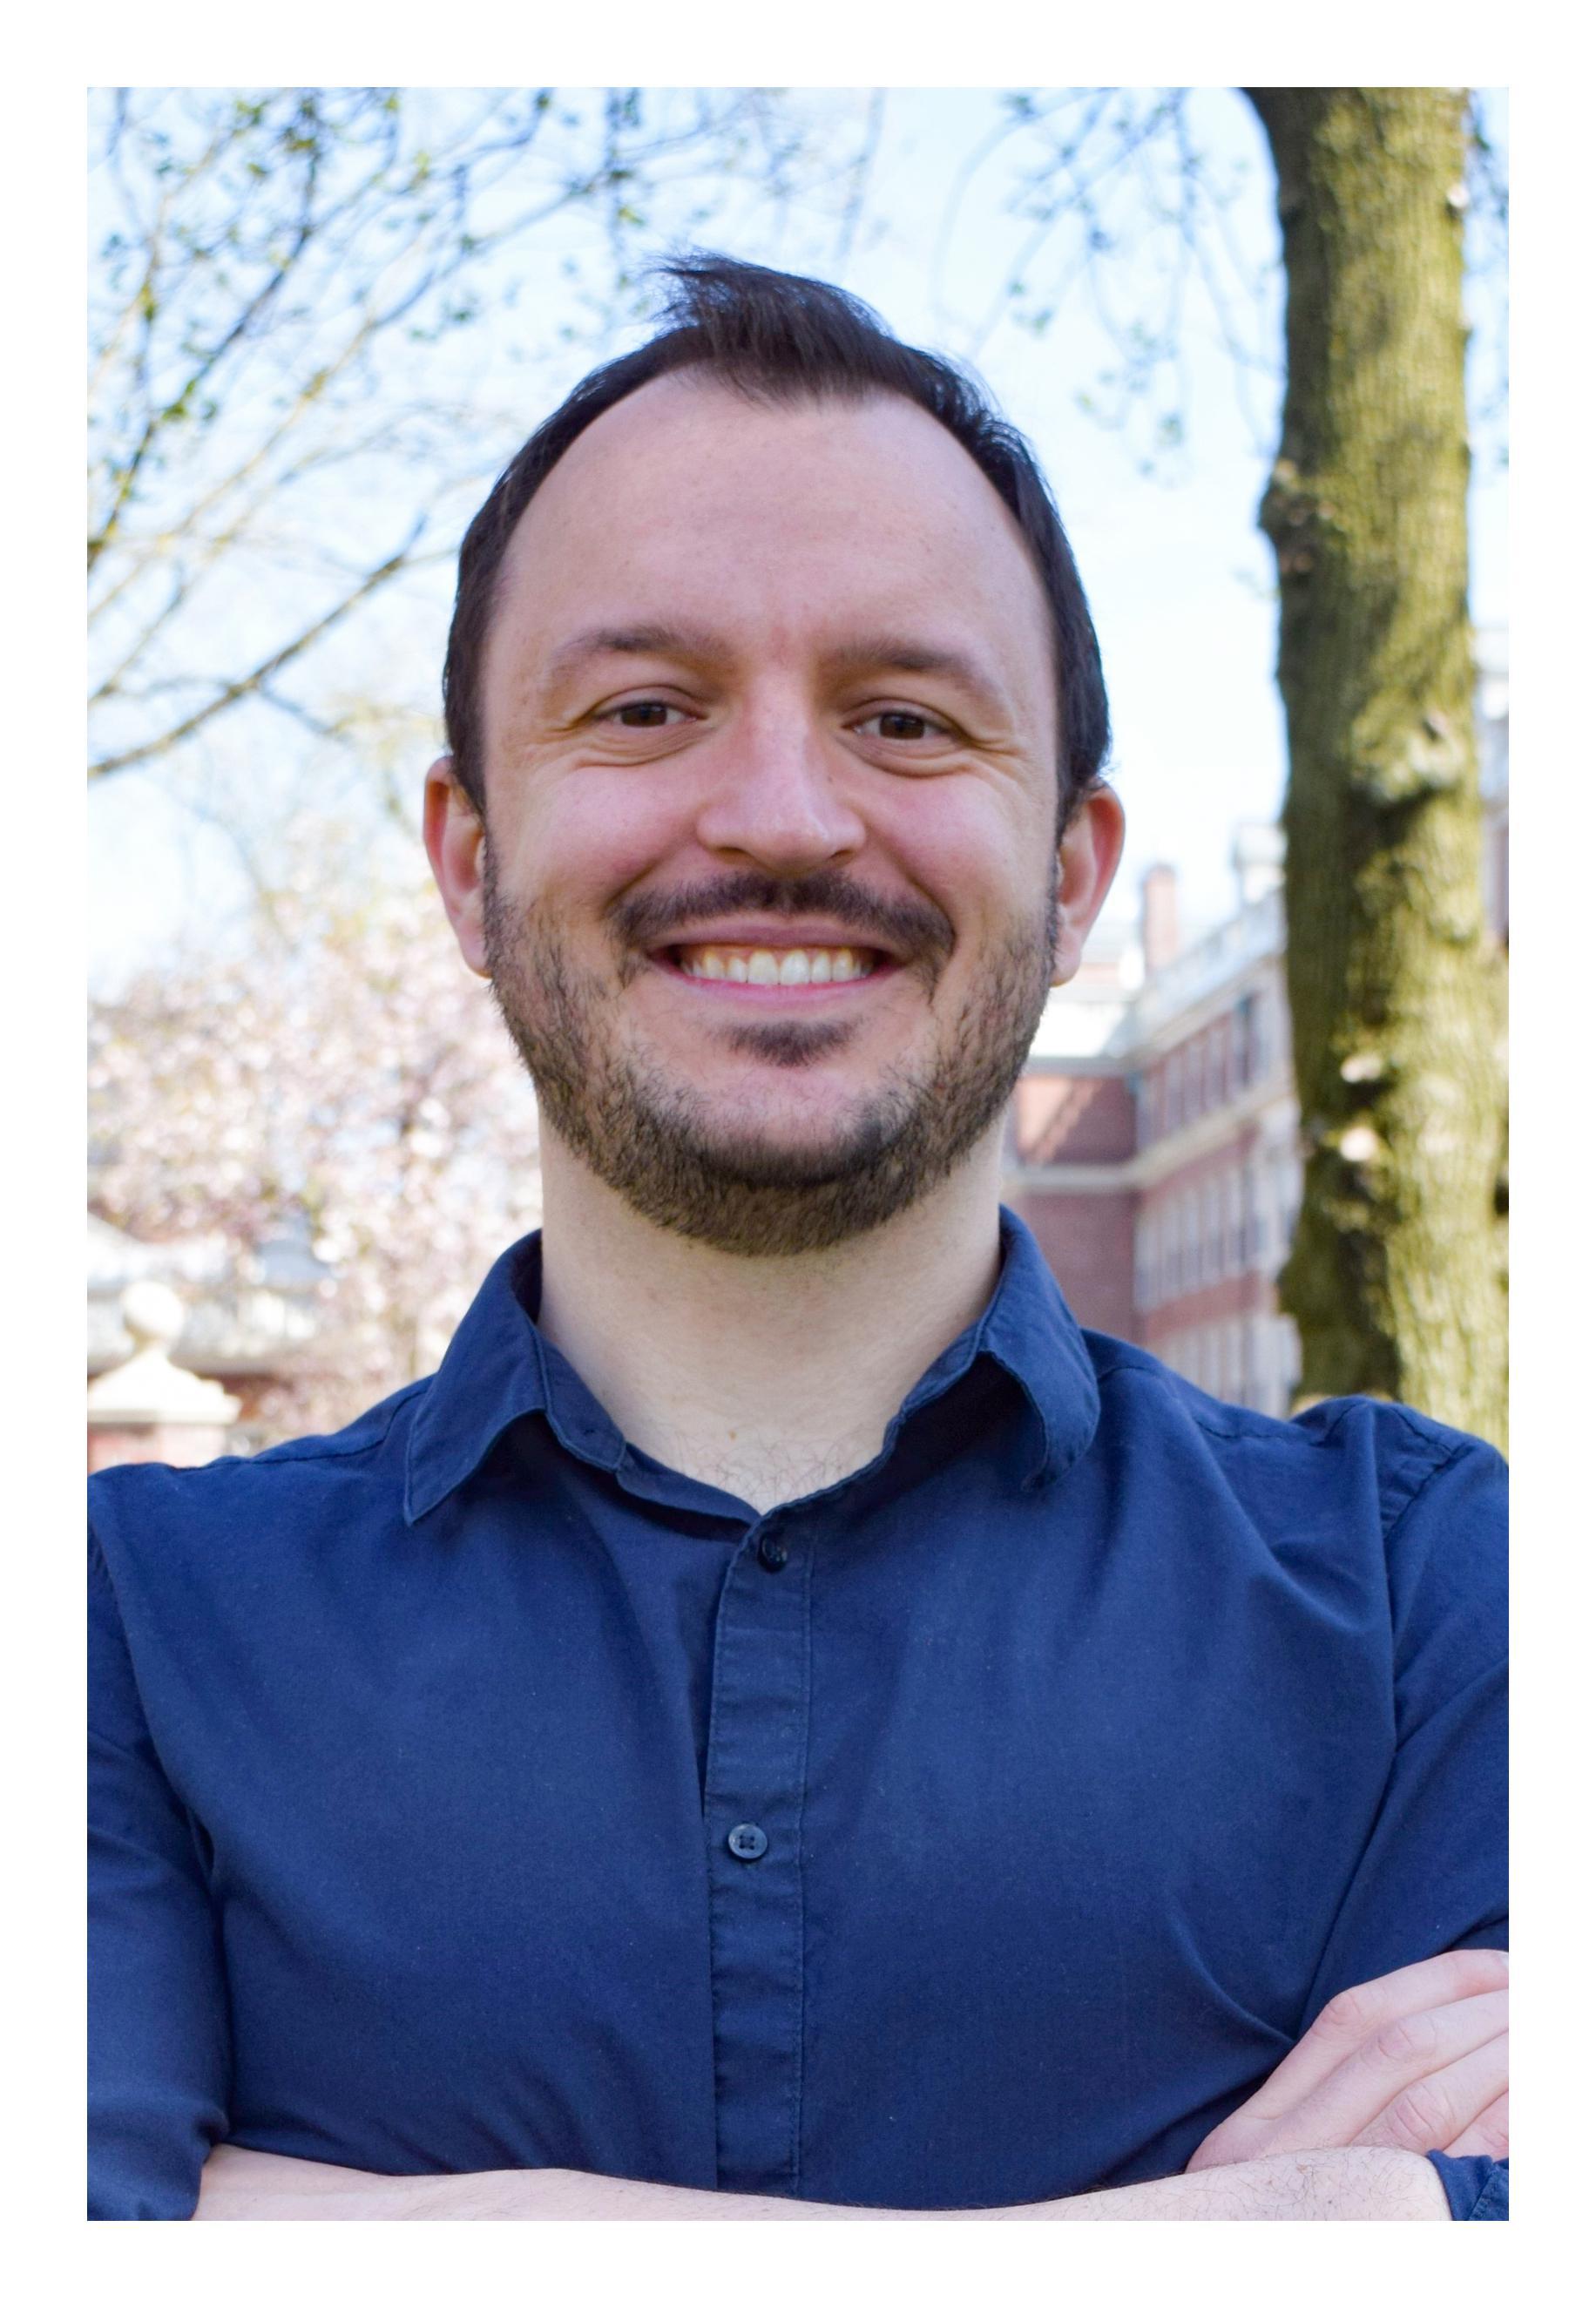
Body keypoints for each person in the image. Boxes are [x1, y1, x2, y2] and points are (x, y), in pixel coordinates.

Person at [89, 258, 1507, 2223]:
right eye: (645, 707)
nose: (778, 814)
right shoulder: (121, 1624)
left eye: (905, 718)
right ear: (468, 861)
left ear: (1074, 873)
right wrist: (1292, 2222)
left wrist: (286, 2217)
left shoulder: (1442, 1595)